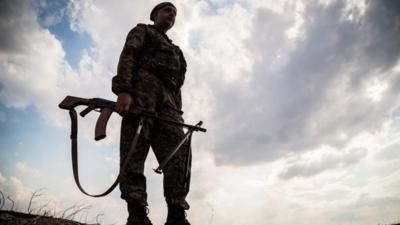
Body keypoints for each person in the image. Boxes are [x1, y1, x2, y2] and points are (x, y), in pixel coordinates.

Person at [111, 2, 191, 225]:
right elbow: (129, 55)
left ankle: (176, 214)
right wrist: (124, 90)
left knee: (179, 153)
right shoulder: (142, 31)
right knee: (134, 151)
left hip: (168, 104)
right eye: (167, 10)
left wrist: (177, 113)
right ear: (155, 14)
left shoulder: (178, 53)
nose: (172, 14)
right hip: (141, 93)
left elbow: (177, 87)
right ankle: (136, 214)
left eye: (174, 13)